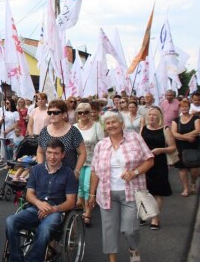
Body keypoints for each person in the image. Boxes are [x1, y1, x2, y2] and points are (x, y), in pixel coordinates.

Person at [88, 111, 154, 262]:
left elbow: (150, 160)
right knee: (109, 230)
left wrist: (134, 172)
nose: (111, 125)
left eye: (114, 122)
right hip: (106, 194)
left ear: (122, 124)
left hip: (131, 192)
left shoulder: (135, 138)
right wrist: (91, 195)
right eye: (108, 123)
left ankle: (133, 248)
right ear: (104, 126)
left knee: (130, 230)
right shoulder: (101, 145)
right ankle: (112, 259)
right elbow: (94, 171)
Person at [5, 139, 77, 262]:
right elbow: (29, 194)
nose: (52, 157)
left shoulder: (68, 173)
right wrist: (39, 203)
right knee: (10, 221)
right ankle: (16, 259)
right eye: (49, 152)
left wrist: (53, 209)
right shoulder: (36, 170)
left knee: (43, 230)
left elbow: (71, 202)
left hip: (55, 212)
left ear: (63, 155)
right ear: (45, 153)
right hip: (35, 209)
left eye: (56, 153)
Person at [140, 106, 175, 229]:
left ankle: (155, 218)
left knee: (158, 192)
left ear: (159, 117)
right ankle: (144, 214)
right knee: (144, 191)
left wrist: (161, 150)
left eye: (154, 115)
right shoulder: (143, 129)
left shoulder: (165, 129)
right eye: (150, 115)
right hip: (145, 163)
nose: (151, 117)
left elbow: (172, 147)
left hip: (159, 163)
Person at [36, 99, 86, 177]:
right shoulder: (44, 131)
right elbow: (40, 152)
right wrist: (41, 168)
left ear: (64, 114)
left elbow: (82, 153)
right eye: (49, 112)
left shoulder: (73, 131)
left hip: (68, 176)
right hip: (47, 175)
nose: (52, 115)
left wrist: (76, 171)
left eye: (56, 112)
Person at [74, 102, 104, 227]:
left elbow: (103, 144)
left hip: (93, 161)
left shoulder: (97, 126)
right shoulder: (74, 127)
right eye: (80, 112)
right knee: (79, 186)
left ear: (90, 112)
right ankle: (81, 207)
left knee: (87, 186)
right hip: (78, 162)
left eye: (86, 112)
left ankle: (88, 213)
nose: (83, 114)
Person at [171, 99, 200, 197]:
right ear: (179, 108)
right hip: (180, 147)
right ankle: (186, 188)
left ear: (189, 107)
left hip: (193, 146)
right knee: (182, 169)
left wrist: (183, 136)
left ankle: (193, 182)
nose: (184, 108)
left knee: (194, 169)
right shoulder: (176, 120)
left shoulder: (196, 118)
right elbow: (174, 133)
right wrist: (186, 137)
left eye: (186, 106)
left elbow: (197, 131)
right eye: (182, 107)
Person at [0, 97, 20, 163]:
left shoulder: (15, 113)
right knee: (6, 149)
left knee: (9, 148)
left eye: (7, 103)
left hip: (11, 133)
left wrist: (8, 130)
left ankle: (12, 160)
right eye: (5, 103)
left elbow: (16, 123)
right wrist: (2, 119)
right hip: (3, 133)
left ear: (11, 104)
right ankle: (8, 162)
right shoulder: (4, 112)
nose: (6, 104)